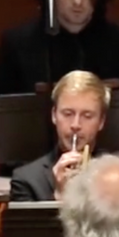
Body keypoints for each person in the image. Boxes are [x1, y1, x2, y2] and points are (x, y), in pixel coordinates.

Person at [9, 71, 110, 201]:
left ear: (101, 121)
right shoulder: (26, 181)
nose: (75, 125)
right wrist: (60, 196)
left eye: (87, 116)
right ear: (54, 115)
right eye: (68, 114)